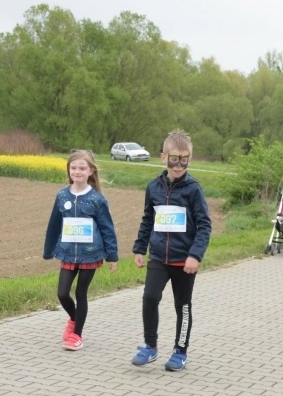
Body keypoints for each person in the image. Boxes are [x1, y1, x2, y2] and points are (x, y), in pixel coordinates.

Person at [131, 130, 212, 372]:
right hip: (158, 257)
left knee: (183, 306)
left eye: (184, 160)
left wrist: (195, 255)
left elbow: (204, 225)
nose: (178, 165)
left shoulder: (193, 190)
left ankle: (180, 351)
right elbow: (148, 219)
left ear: (190, 159)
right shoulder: (153, 187)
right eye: (174, 159)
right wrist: (139, 248)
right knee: (150, 297)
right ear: (163, 157)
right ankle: (150, 346)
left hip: (183, 260)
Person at [43, 150, 119, 351]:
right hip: (67, 253)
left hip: (90, 254)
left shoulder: (97, 199)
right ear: (68, 170)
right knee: (62, 293)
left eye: (82, 168)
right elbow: (54, 224)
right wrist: (48, 250)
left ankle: (77, 335)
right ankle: (74, 319)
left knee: (80, 292)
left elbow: (107, 229)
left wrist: (112, 256)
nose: (77, 171)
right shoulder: (62, 196)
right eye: (73, 167)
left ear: (90, 171)